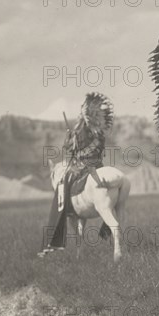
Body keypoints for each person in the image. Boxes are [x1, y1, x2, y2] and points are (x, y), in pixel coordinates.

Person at [40, 93, 113, 255]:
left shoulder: (82, 130)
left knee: (63, 183)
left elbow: (70, 149)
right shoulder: (99, 132)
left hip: (83, 166)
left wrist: (69, 137)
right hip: (99, 166)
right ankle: (106, 231)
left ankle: (65, 211)